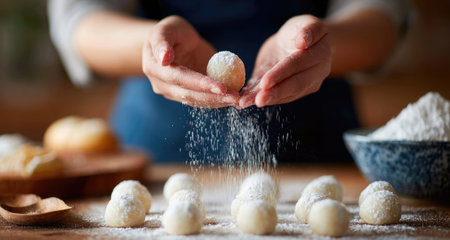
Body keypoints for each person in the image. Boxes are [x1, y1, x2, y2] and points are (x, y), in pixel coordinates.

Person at [48, 0, 411, 163]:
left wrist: (322, 43)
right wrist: (152, 46)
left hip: (317, 145)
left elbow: (383, 16)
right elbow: (80, 18)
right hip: (158, 152)